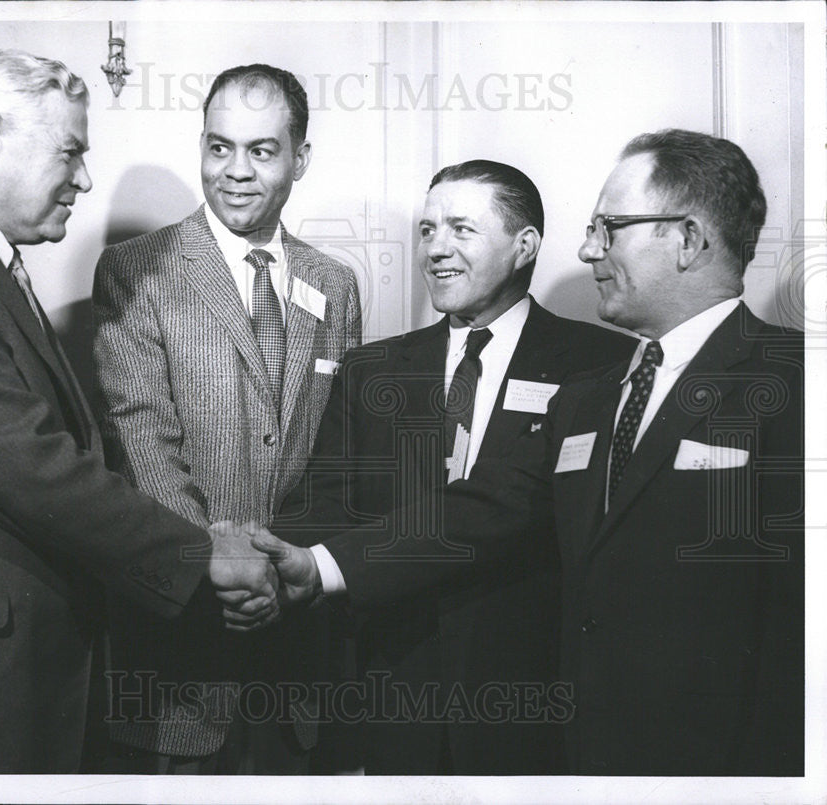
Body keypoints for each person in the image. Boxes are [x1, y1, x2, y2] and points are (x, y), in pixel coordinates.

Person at [244, 130, 804, 776]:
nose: (589, 247)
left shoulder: (796, 380)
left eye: (611, 227)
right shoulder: (595, 396)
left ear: (688, 239)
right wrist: (317, 565)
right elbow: (490, 507)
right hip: (584, 757)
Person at [0, 49, 273, 774]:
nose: (83, 178)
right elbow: (27, 460)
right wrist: (202, 552)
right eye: (70, 150)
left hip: (12, 667)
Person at [269, 160, 633, 774]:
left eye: (461, 230)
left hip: (534, 703)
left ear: (525, 247)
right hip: (389, 697)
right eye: (427, 230)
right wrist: (269, 569)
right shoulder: (373, 371)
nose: (436, 250)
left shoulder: (601, 364)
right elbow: (321, 508)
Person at [92, 63, 361, 773]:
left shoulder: (335, 283)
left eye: (261, 151)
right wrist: (221, 569)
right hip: (181, 662)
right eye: (219, 147)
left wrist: (286, 568)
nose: (235, 171)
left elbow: (341, 453)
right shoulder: (137, 268)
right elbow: (140, 438)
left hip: (299, 657)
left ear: (300, 158)